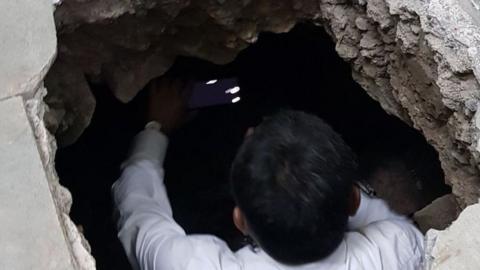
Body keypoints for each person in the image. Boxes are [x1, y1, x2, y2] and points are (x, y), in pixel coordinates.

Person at [112, 77, 424, 270]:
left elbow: (140, 215)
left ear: (241, 220)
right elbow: (383, 222)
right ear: (354, 198)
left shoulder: (190, 263)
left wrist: (156, 128)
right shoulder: (395, 247)